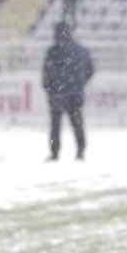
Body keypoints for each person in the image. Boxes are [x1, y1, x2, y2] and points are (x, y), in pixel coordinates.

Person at [42, 21, 95, 161]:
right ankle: (80, 150)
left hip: (57, 94)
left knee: (55, 125)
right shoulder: (81, 51)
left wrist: (50, 89)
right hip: (75, 93)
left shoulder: (53, 51)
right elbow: (90, 71)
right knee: (77, 123)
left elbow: (47, 74)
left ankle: (55, 153)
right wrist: (80, 84)